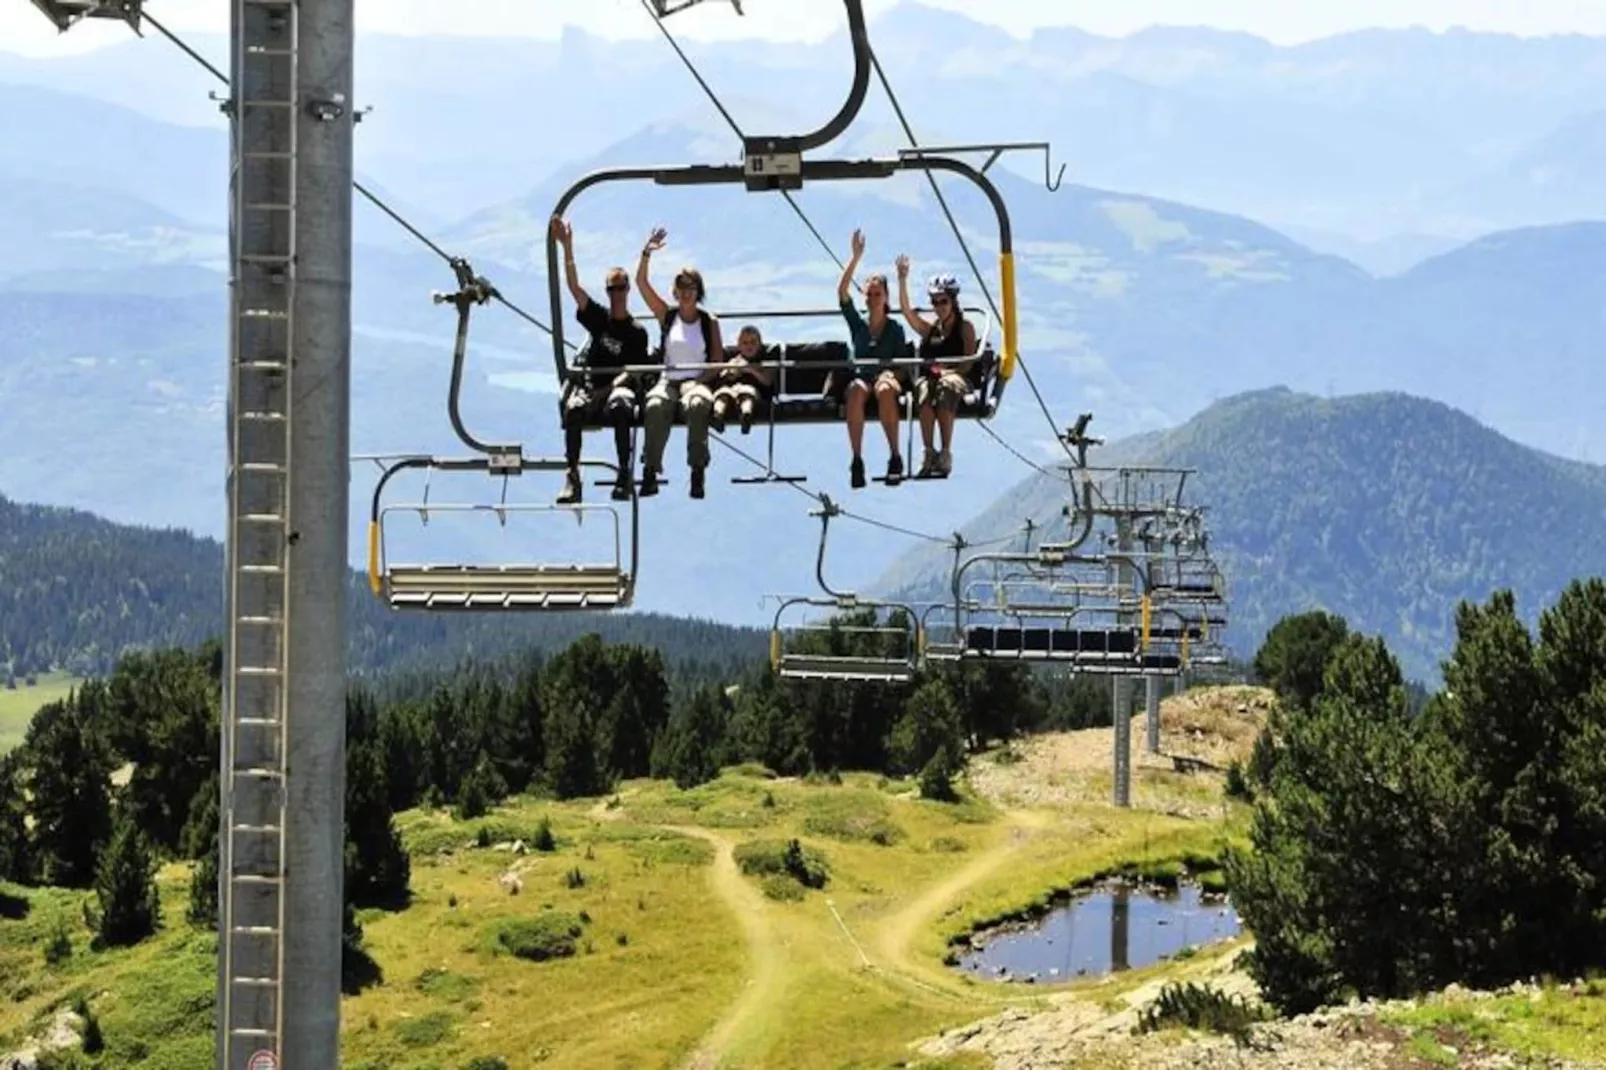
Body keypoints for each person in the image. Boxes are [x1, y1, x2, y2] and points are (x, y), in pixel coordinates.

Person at [550, 214, 645, 504]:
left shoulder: (636, 332)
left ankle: (623, 473)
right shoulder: (599, 318)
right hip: (593, 385)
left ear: (628, 289)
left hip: (617, 387)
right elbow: (574, 289)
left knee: (620, 406)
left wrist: (605, 390)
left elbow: (632, 371)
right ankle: (572, 474)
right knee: (573, 408)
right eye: (611, 289)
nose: (616, 294)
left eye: (620, 288)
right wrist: (567, 247)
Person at [636, 227, 724, 499]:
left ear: (698, 292)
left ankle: (697, 470)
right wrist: (647, 253)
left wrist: (699, 381)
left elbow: (717, 362)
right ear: (675, 292)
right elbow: (641, 284)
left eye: (691, 287)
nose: (686, 292)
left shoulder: (708, 322)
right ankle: (650, 469)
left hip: (697, 379)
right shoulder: (667, 316)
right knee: (655, 405)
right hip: (669, 379)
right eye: (682, 287)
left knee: (698, 404)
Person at [832, 229, 907, 489]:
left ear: (885, 297)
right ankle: (856, 459)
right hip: (863, 379)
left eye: (878, 294)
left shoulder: (895, 329)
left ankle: (895, 456)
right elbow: (842, 292)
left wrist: (891, 375)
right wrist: (855, 258)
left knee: (885, 390)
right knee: (855, 390)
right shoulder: (858, 324)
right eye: (870, 294)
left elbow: (902, 366)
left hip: (886, 379)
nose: (873, 299)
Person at [896, 255, 976, 479]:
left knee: (945, 388)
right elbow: (907, 313)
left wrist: (947, 371)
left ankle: (946, 452)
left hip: (958, 377)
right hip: (932, 378)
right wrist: (902, 280)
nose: (939, 307)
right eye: (934, 302)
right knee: (924, 389)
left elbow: (968, 362)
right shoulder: (931, 329)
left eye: (943, 302)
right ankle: (929, 451)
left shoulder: (965, 328)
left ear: (953, 302)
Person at [711, 324, 772, 434]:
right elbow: (720, 377)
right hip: (730, 389)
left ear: (759, 345)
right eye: (745, 343)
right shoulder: (733, 359)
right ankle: (717, 414)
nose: (749, 346)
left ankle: (746, 415)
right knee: (722, 394)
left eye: (753, 342)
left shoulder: (762, 362)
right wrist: (728, 369)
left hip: (750, 389)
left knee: (747, 394)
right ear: (739, 346)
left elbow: (767, 381)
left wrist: (750, 370)